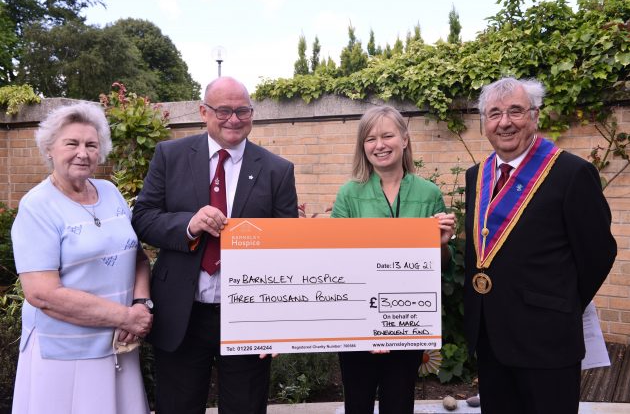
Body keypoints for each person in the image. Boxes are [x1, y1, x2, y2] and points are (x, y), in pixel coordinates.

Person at [131, 76, 298, 414]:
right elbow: (143, 218)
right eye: (223, 111)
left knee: (245, 408)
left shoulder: (277, 170)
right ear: (203, 112)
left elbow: (287, 249)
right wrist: (188, 225)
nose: (233, 120)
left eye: (242, 111)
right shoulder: (170, 155)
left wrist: (279, 322)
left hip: (248, 318)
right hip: (182, 313)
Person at [464, 77, 617, 414]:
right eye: (494, 114)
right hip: (491, 337)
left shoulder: (573, 173)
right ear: (483, 123)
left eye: (515, 111)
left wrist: (558, 303)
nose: (504, 122)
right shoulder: (476, 175)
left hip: (547, 340)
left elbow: (599, 253)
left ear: (534, 116)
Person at [10, 103, 153, 414]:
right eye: (71, 143)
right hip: (64, 352)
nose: (83, 153)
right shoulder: (37, 206)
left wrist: (141, 305)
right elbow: (42, 293)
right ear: (49, 148)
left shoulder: (110, 192)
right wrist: (124, 316)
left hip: (118, 345)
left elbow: (138, 258)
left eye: (91, 144)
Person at [331, 105, 455, 414]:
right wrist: (370, 326)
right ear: (363, 147)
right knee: (357, 403)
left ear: (404, 139)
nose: (380, 145)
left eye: (387, 135)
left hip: (406, 321)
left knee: (399, 403)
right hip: (357, 322)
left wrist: (441, 245)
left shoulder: (428, 193)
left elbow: (439, 266)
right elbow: (336, 260)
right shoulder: (349, 194)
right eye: (370, 138)